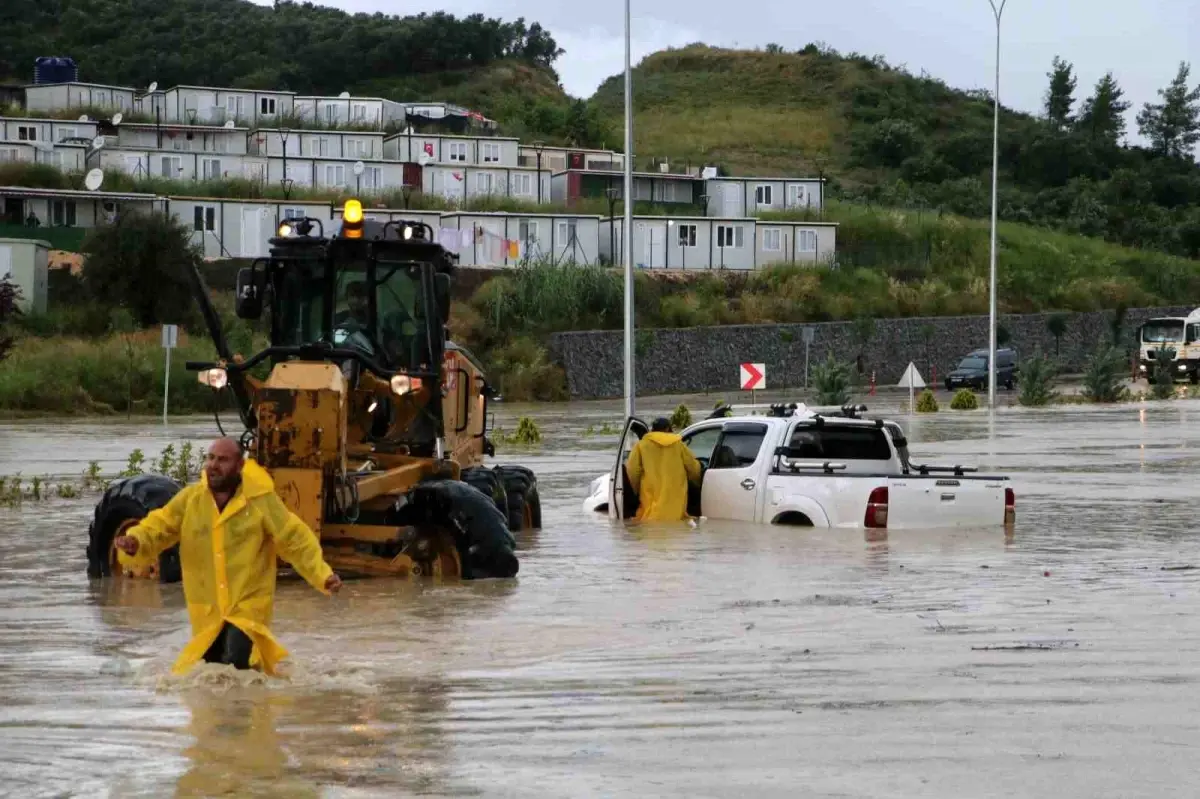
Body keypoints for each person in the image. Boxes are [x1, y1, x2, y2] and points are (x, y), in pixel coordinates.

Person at [113, 437, 342, 676]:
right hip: (207, 611)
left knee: (235, 661)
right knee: (212, 671)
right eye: (210, 458)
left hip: (247, 605)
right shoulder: (191, 499)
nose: (213, 465)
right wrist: (135, 541)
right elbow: (159, 527)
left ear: (240, 466)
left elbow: (294, 539)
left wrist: (322, 575)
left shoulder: (261, 501)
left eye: (222, 460)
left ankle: (245, 710)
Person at [625, 417, 703, 522]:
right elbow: (694, 469)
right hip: (676, 507)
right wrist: (698, 483)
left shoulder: (641, 446)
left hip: (650, 509)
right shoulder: (679, 445)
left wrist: (634, 491)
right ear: (667, 429)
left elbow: (633, 472)